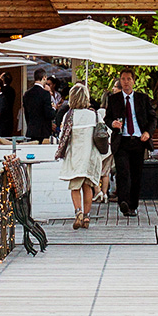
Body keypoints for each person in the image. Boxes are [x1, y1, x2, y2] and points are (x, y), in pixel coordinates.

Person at [52, 83, 105, 228]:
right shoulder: (94, 115)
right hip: (91, 156)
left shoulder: (69, 116)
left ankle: (78, 212)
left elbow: (63, 136)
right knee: (87, 187)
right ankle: (87, 217)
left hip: (75, 156)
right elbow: (104, 133)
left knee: (75, 187)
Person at [103, 69, 154, 217]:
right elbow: (107, 118)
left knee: (136, 174)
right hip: (121, 141)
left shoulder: (142, 99)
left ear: (133, 81)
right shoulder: (114, 99)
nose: (125, 82)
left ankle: (133, 205)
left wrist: (148, 132)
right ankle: (123, 202)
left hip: (138, 141)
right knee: (123, 172)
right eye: (123, 79)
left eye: (128, 79)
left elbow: (152, 118)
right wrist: (112, 123)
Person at [23, 71, 57, 142]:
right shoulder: (45, 94)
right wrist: (54, 108)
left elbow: (26, 114)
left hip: (31, 130)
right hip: (43, 132)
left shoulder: (26, 94)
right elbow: (49, 114)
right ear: (44, 78)